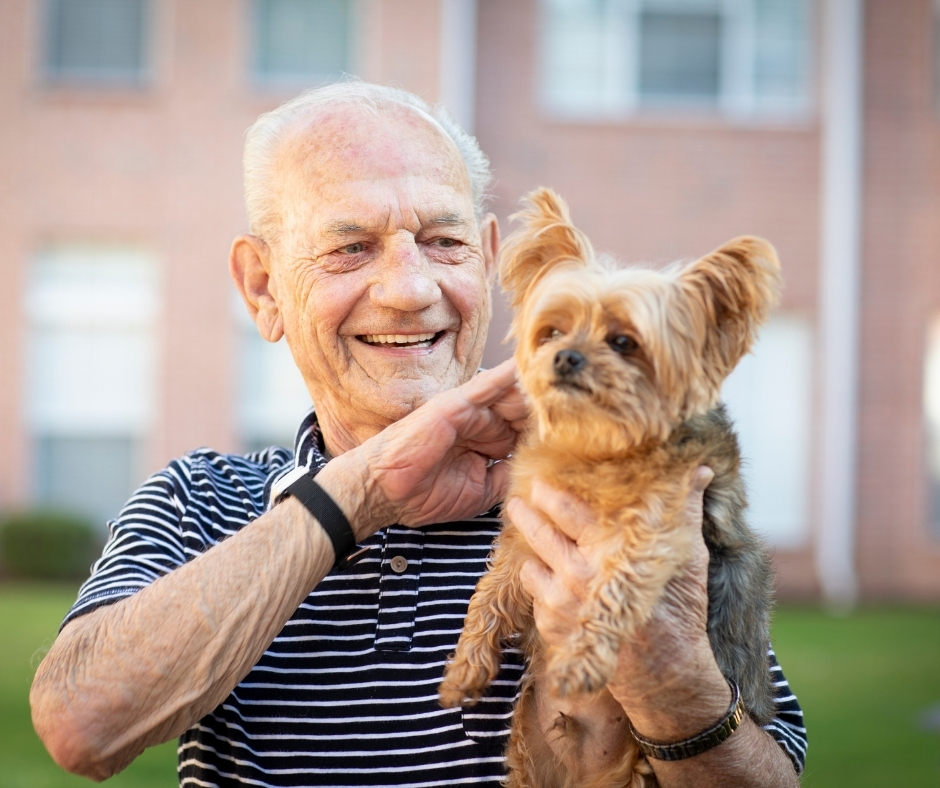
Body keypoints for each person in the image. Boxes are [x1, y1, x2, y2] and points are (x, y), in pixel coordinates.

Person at [30, 82, 806, 787]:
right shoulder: (200, 500)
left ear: (494, 263)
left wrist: (667, 679)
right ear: (263, 288)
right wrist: (362, 490)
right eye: (350, 248)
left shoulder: (638, 495)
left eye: (444, 241)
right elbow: (82, 727)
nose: (408, 288)